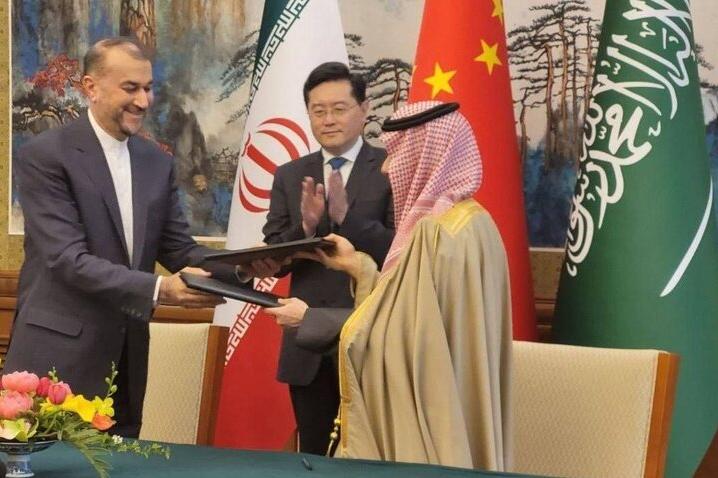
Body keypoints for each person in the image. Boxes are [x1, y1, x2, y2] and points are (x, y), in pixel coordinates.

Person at [3, 37, 262, 438]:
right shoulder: (46, 155)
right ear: (91, 87)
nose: (143, 101)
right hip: (56, 362)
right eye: (131, 88)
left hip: (125, 362)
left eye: (148, 88)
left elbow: (179, 249)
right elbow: (68, 260)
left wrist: (245, 268)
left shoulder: (155, 162)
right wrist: (161, 289)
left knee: (118, 463)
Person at [266, 101, 513, 470]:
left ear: (427, 155)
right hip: (450, 403)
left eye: (396, 152)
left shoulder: (435, 235)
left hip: (426, 427)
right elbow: (417, 310)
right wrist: (360, 267)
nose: (386, 167)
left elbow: (408, 338)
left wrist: (312, 318)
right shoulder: (473, 222)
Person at [261, 62, 394, 455]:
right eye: (318, 111)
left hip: (372, 338)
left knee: (371, 458)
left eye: (339, 109)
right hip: (308, 344)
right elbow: (273, 258)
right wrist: (304, 229)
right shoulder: (290, 175)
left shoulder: (390, 167)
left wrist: (346, 219)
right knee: (315, 455)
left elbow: (401, 252)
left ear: (364, 109)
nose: (328, 120)